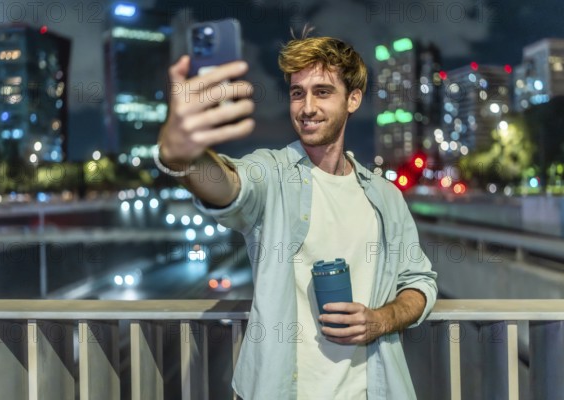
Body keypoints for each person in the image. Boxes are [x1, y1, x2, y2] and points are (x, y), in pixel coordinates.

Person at [156, 31, 437, 400]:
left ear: (353, 100)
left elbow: (420, 281)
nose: (306, 108)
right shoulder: (272, 172)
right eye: (297, 93)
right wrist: (181, 155)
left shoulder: (385, 198)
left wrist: (381, 320)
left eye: (322, 92)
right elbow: (230, 187)